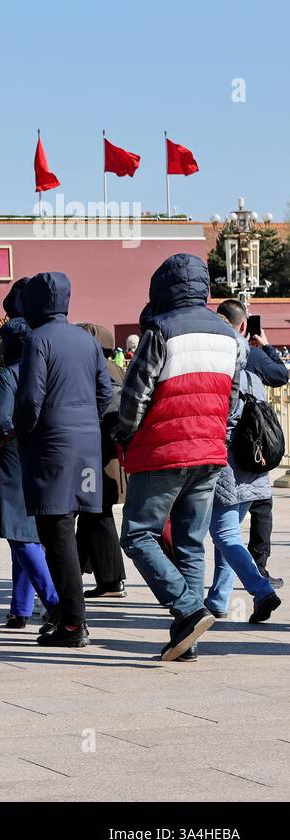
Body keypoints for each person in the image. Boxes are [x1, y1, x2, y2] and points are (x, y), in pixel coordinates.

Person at [112, 254, 242, 661]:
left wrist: (122, 433)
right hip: (209, 452)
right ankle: (187, 640)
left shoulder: (160, 331)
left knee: (136, 535)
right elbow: (233, 398)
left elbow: (136, 395)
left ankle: (186, 609)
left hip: (164, 451)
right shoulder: (226, 334)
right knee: (189, 543)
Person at [14, 273, 112, 648]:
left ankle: (73, 622)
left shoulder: (37, 340)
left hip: (51, 446)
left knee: (55, 533)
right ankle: (71, 617)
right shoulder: (86, 339)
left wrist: (24, 433)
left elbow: (29, 400)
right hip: (86, 445)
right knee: (68, 528)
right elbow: (106, 393)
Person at [203, 301, 282, 625]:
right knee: (229, 533)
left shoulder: (221, 371)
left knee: (224, 535)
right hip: (255, 464)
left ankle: (261, 590)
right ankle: (219, 598)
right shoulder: (255, 372)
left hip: (229, 464)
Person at [0, 318, 60, 630]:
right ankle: (20, 607)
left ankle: (55, 601)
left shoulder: (9, 375)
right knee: (30, 532)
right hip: (45, 450)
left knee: (18, 531)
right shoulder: (46, 371)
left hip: (14, 452)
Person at [229, 302, 289, 591]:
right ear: (243, 326)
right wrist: (266, 346)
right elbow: (281, 375)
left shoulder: (216, 352)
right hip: (254, 445)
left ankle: (223, 587)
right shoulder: (251, 355)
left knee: (223, 522)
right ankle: (258, 567)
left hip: (223, 444)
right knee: (261, 507)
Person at [76, 323, 129, 598]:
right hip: (110, 455)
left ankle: (110, 579)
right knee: (92, 513)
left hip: (93, 452)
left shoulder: (93, 369)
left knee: (96, 514)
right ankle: (91, 571)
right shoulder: (116, 368)